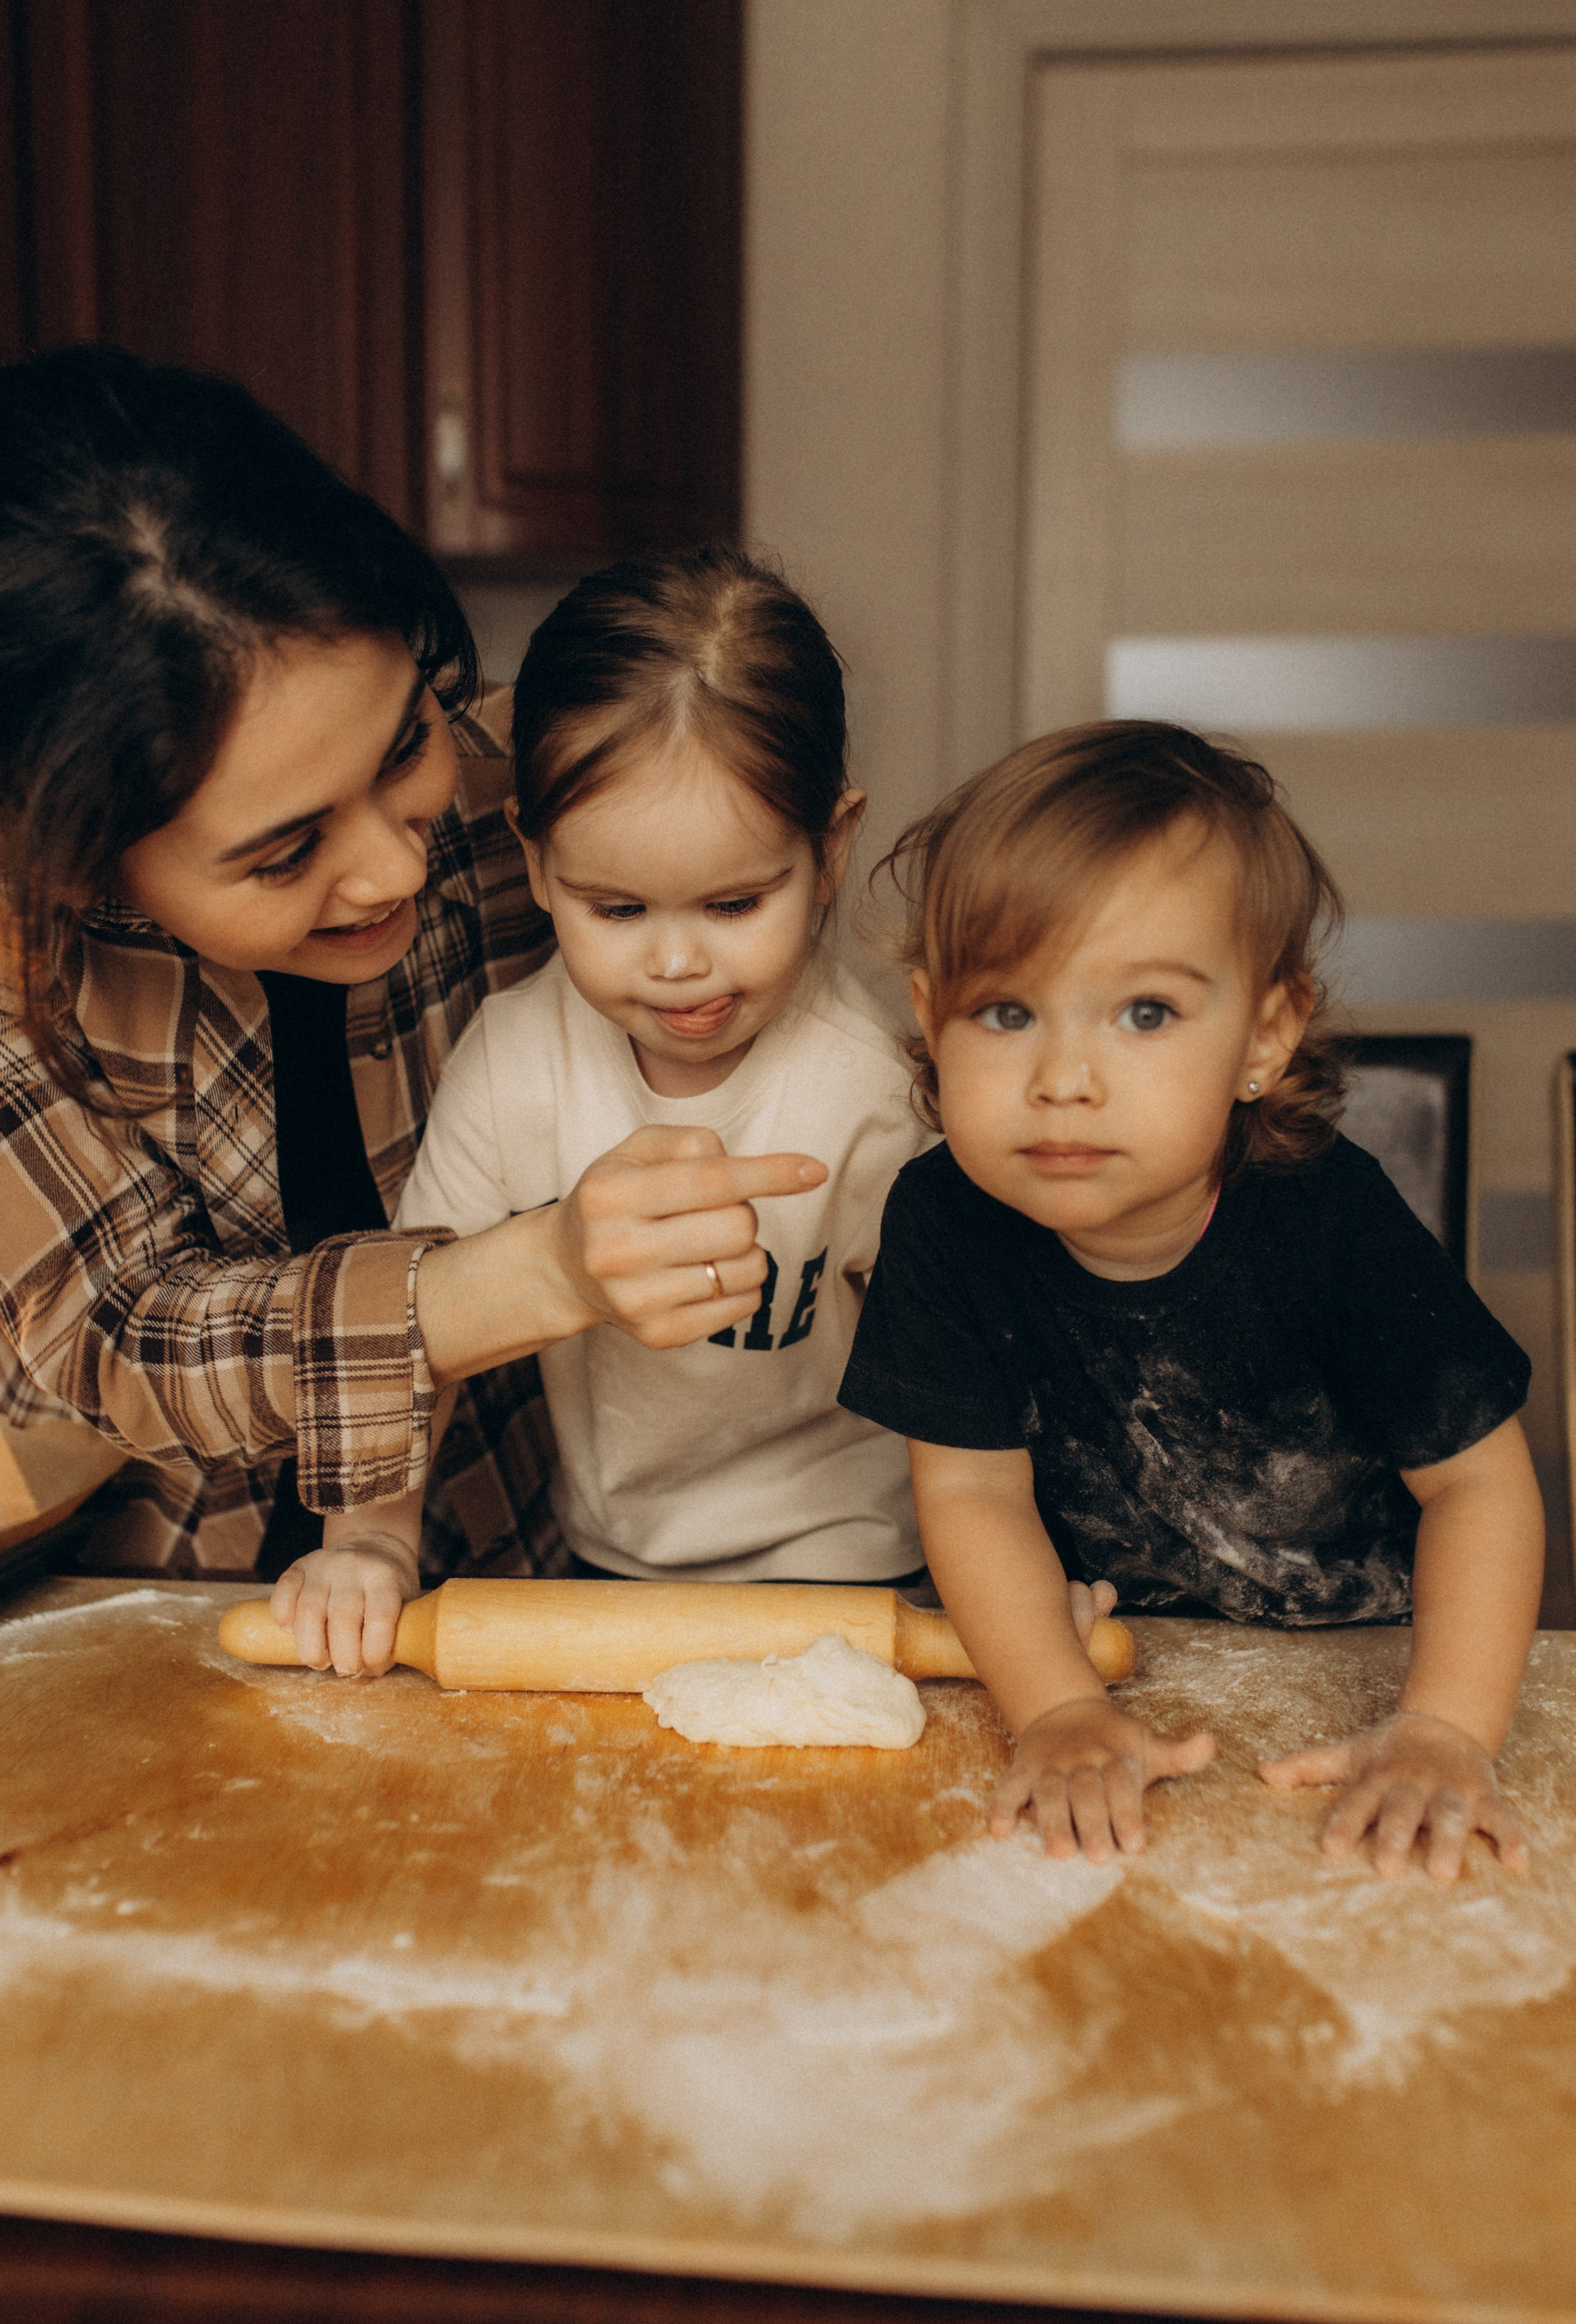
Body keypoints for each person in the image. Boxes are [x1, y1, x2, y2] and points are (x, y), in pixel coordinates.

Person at [0, 350, 819, 1584]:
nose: (392, 868)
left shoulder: (549, 795)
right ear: (73, 861)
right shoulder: (23, 967)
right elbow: (120, 1331)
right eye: (284, 853)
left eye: (403, 746)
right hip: (167, 1594)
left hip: (521, 1556)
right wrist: (532, 1271)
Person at [838, 720, 1543, 1883]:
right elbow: (969, 1490)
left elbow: (1478, 1483)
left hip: (1353, 1675)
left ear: (1264, 1035)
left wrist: (1445, 1729)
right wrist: (1056, 1707)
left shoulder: (1331, 1214)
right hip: (1115, 1670)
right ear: (930, 1014)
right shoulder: (943, 1220)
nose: (1064, 1078)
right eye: (1007, 1014)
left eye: (1146, 1013)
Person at [271, 548, 951, 1670]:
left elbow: (968, 1365)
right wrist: (373, 1543)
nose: (680, 961)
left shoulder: (873, 1089)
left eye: (736, 901)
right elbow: (414, 1322)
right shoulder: (511, 1062)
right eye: (618, 906)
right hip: (613, 1566)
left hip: (861, 1574)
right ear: (536, 865)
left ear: (831, 849)